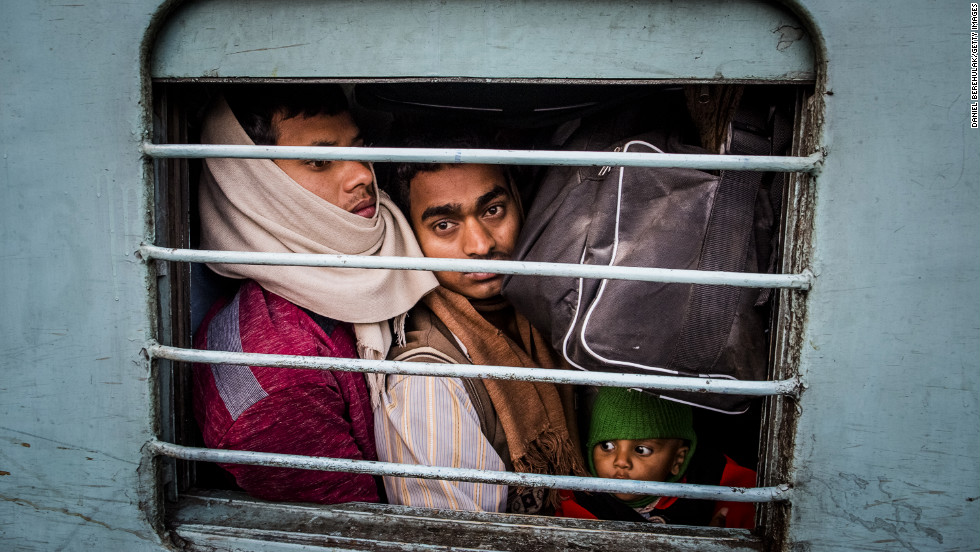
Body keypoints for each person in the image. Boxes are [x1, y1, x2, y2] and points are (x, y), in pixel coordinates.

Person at [192, 85, 438, 504]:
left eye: (360, 148)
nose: (363, 173)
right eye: (321, 161)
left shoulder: (400, 244)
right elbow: (360, 535)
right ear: (256, 186)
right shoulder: (276, 378)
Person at [373, 129, 585, 514]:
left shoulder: (548, 309)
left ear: (519, 204)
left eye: (492, 210)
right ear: (411, 236)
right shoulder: (427, 383)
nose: (480, 245)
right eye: (444, 225)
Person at [554, 386, 757, 528]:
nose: (621, 461)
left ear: (677, 460)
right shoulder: (580, 497)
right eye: (607, 446)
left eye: (642, 450)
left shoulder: (716, 482)